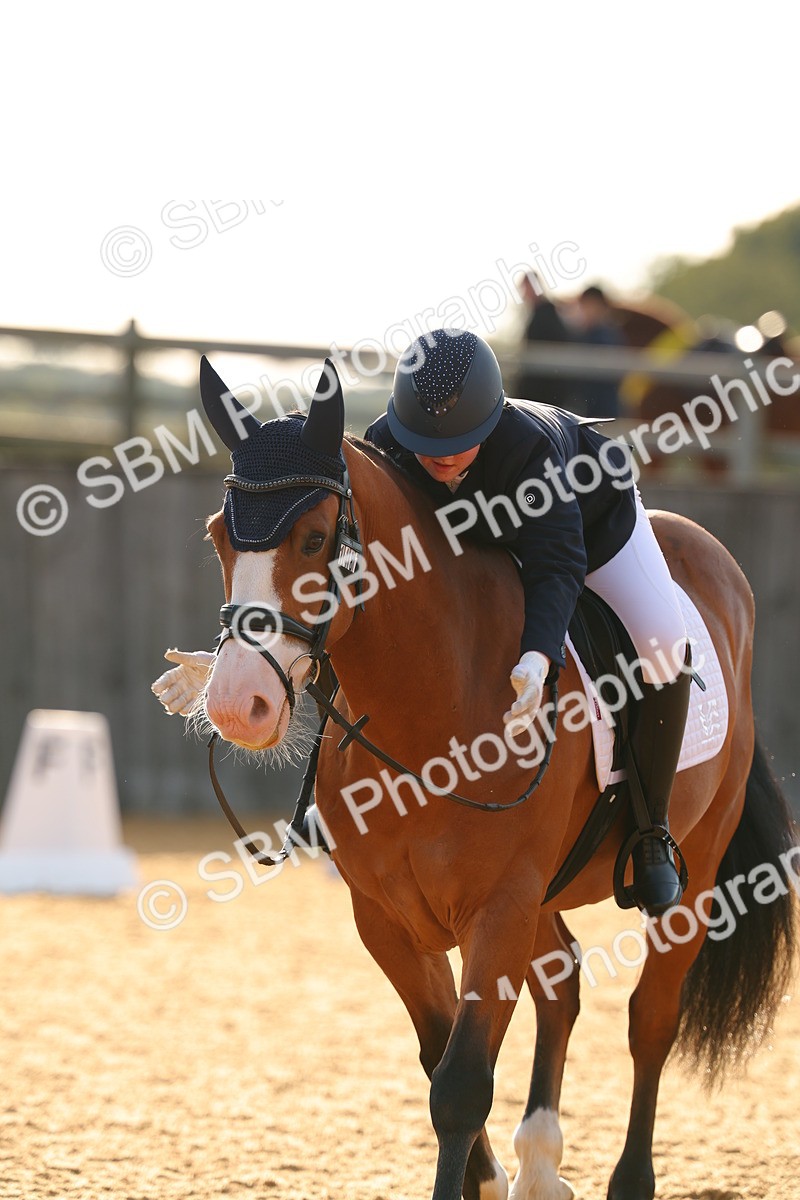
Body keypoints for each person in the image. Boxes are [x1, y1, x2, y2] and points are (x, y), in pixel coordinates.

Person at [153, 329, 691, 915]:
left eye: (461, 441)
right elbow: (346, 585)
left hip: (591, 523)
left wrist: (538, 656)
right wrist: (237, 655)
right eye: (424, 440)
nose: (440, 455)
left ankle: (651, 832)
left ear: (490, 419)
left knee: (663, 643)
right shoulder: (390, 450)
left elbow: (555, 565)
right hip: (481, 542)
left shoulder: (529, 449)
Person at [515, 271, 574, 410]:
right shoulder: (546, 313)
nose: (523, 294)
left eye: (526, 288)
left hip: (544, 392)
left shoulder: (545, 315)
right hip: (546, 391)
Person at [572, 284, 623, 418]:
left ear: (601, 307)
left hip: (604, 408)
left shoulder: (607, 336)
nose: (587, 310)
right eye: (584, 306)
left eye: (591, 305)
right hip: (586, 408)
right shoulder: (581, 335)